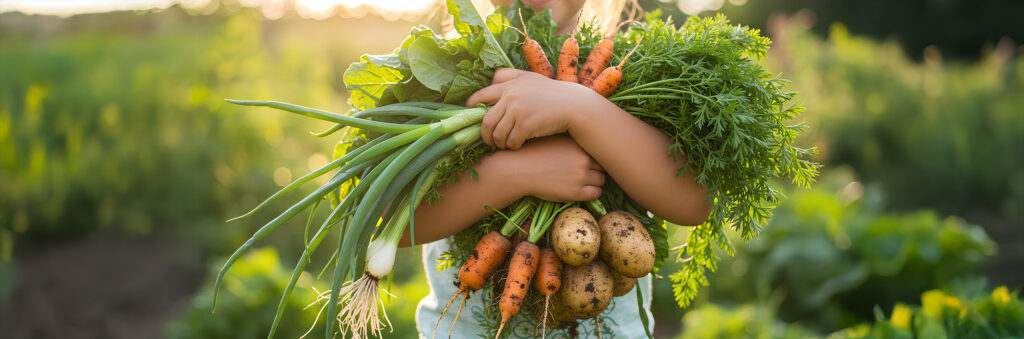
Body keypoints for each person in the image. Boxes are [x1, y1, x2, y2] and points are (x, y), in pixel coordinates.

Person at [401, 0, 712, 337]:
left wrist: (581, 109)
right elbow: (391, 223)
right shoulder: (452, 74)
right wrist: (517, 173)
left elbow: (695, 201)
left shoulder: (641, 69)